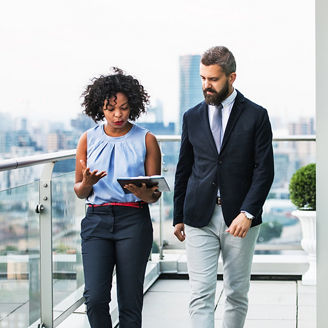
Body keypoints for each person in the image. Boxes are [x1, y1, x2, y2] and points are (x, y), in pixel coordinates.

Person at [173, 46, 274, 328]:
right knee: (200, 294)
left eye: (213, 79)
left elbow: (264, 170)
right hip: (198, 216)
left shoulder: (257, 115)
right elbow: (184, 168)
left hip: (240, 218)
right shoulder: (191, 117)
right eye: (203, 78)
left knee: (236, 293)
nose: (206, 85)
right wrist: (178, 215)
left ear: (232, 77)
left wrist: (249, 212)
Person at [74, 67, 161, 328]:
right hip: (96, 221)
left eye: (123, 107)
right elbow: (79, 191)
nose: (118, 114)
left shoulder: (146, 139)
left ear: (132, 105)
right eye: (111, 108)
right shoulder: (87, 139)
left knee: (130, 300)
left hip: (133, 220)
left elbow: (154, 194)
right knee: (95, 298)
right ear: (99, 107)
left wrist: (144, 193)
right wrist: (87, 183)